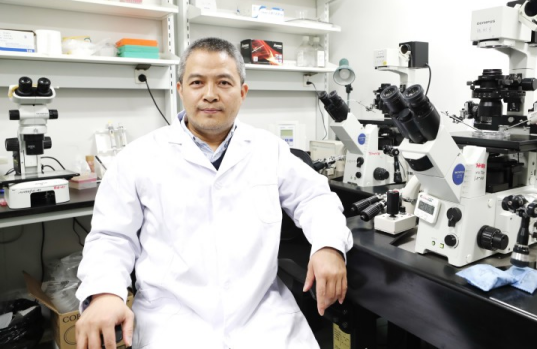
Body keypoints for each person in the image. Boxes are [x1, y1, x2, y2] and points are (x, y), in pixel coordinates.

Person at [75, 37, 353, 349]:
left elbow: (315, 198)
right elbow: (112, 236)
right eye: (197, 82)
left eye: (223, 82)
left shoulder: (268, 149)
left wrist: (329, 246)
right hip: (172, 323)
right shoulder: (138, 157)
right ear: (181, 90)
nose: (210, 94)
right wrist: (104, 294)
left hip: (263, 318)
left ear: (242, 92)